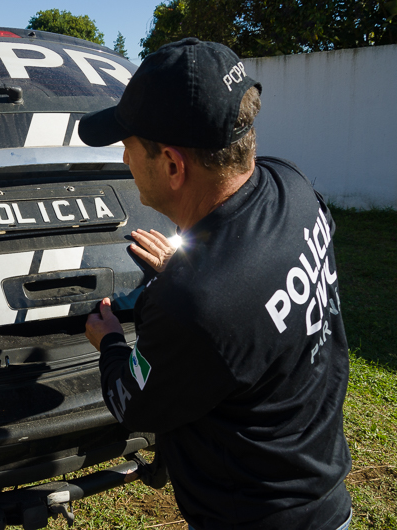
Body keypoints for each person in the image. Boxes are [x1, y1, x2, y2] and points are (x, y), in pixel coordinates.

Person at [80, 38, 353, 530]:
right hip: (322, 488)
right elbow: (253, 307)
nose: (124, 161)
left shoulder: (196, 305)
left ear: (172, 165)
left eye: (129, 147)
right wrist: (191, 275)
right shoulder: (292, 186)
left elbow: (135, 403)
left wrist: (111, 342)